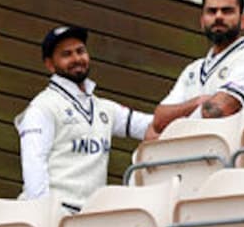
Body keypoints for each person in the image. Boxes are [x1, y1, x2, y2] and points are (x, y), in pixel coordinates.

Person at [16, 25, 153, 214]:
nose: (76, 58)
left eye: (80, 51)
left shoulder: (103, 108)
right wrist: (44, 216)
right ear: (49, 64)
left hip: (90, 218)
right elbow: (34, 167)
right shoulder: (42, 107)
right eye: (66, 54)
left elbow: (152, 128)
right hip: (55, 214)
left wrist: (199, 109)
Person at [152, 0, 244, 134]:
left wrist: (179, 117)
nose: (219, 16)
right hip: (188, 153)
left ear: (243, 20)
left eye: (227, 11)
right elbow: (159, 121)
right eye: (212, 11)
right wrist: (198, 102)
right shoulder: (193, 69)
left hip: (232, 155)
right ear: (202, 22)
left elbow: (219, 111)